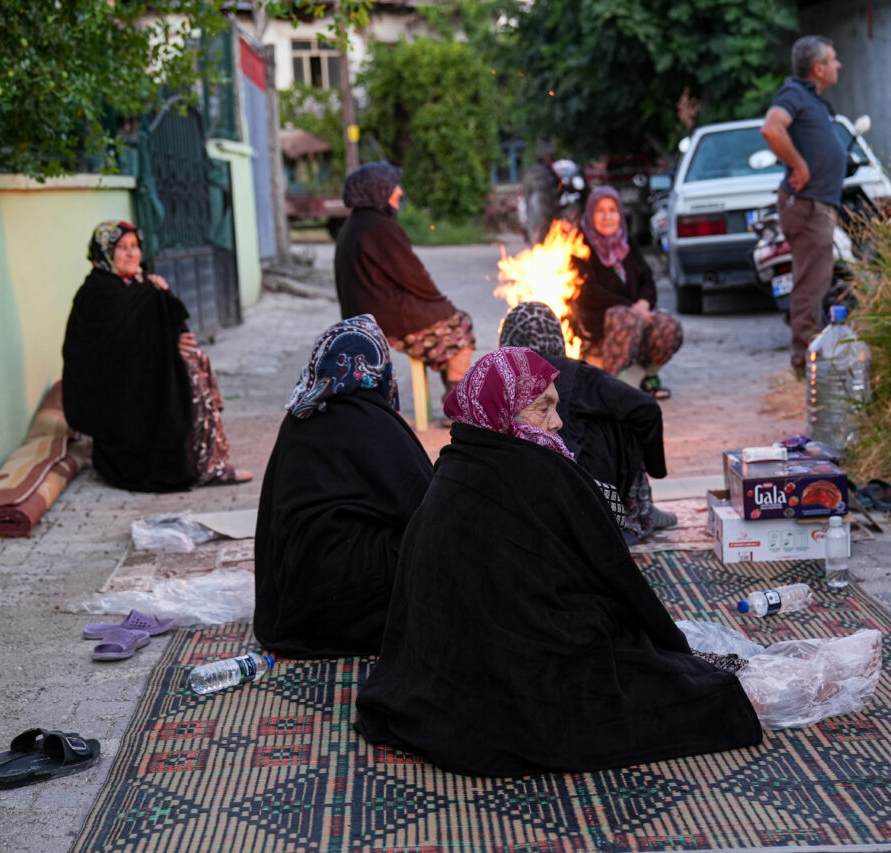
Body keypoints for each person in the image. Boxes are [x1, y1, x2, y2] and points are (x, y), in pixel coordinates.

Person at [354, 348, 764, 777]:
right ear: (503, 411)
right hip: (521, 675)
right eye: (542, 407)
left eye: (556, 404)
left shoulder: (457, 461)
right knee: (689, 690)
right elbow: (615, 578)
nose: (558, 421)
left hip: (446, 681)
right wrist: (671, 649)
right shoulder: (537, 470)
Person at [254, 315, 434, 658]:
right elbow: (428, 509)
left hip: (293, 605)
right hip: (347, 603)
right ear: (378, 369)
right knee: (433, 550)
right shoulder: (374, 421)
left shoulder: (299, 416)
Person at [61, 220, 251, 492]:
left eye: (135, 247)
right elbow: (107, 354)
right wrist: (166, 346)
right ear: (104, 253)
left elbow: (148, 326)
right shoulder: (98, 293)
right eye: (122, 248)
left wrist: (157, 296)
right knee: (185, 373)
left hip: (136, 377)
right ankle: (201, 466)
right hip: (114, 395)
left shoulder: (131, 284)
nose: (131, 254)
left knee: (193, 360)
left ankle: (208, 461)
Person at [498, 301, 676, 543]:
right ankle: (637, 510)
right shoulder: (573, 373)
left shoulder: (494, 378)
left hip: (510, 496)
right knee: (621, 413)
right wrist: (657, 469)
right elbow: (646, 408)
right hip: (578, 493)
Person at [333, 162, 476, 408]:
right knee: (460, 326)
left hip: (364, 315)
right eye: (393, 186)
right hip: (386, 320)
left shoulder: (355, 224)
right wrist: (441, 304)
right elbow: (413, 276)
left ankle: (456, 396)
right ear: (377, 190)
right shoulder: (379, 227)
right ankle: (460, 405)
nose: (399, 191)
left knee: (449, 324)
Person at [760, 35, 848, 375]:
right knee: (810, 287)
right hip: (808, 207)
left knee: (816, 284)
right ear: (818, 68)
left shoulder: (810, 99)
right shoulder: (794, 94)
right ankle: (805, 368)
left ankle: (810, 360)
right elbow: (771, 129)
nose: (838, 64)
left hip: (818, 206)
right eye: (833, 58)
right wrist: (799, 165)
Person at [569, 185, 683, 399]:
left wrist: (643, 304)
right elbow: (589, 291)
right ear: (591, 214)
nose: (607, 217)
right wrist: (632, 308)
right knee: (627, 319)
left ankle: (646, 378)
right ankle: (614, 387)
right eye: (600, 211)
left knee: (668, 325)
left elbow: (647, 281)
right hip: (597, 325)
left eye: (612, 211)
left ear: (620, 214)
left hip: (634, 317)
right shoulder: (580, 245)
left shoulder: (627, 243)